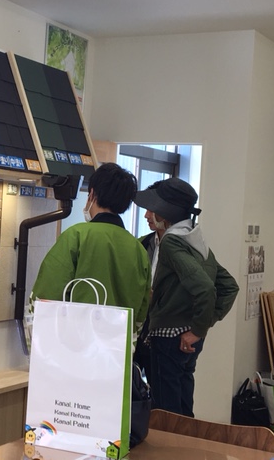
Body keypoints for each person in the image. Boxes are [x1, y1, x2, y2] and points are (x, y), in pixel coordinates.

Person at [133, 178, 239, 417]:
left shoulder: (171, 242)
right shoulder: (195, 240)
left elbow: (205, 289)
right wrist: (199, 329)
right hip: (185, 339)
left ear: (166, 212)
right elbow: (229, 287)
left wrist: (199, 329)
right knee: (182, 410)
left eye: (152, 209)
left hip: (167, 338)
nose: (147, 215)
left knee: (166, 414)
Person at [29, 162, 151, 334]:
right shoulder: (138, 249)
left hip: (76, 341)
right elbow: (142, 309)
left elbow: (47, 294)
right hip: (118, 343)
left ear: (92, 194)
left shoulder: (76, 236)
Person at [134, 181, 166, 380]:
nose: (146, 215)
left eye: (151, 209)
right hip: (139, 329)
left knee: (163, 392)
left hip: (166, 334)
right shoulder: (142, 244)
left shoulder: (185, 248)